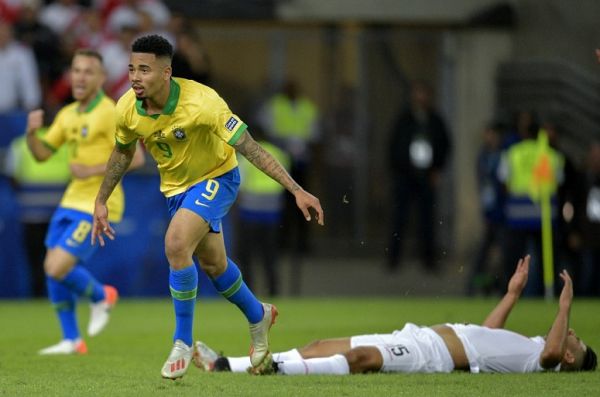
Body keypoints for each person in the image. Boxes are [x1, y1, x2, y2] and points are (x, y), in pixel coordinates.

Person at [91, 34, 324, 380]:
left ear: (166, 72)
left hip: (218, 176)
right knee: (214, 265)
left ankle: (181, 341)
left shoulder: (203, 102)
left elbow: (250, 147)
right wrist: (101, 199)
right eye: (131, 69)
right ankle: (258, 313)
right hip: (176, 190)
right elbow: (123, 152)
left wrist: (296, 189)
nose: (135, 77)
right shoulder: (126, 108)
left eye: (144, 69)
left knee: (175, 244)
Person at [193, 256, 596, 375]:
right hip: (421, 335)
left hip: (432, 356)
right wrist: (511, 295)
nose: (570, 333)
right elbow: (484, 333)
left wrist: (563, 306)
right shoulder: (529, 346)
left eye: (573, 340)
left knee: (360, 359)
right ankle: (226, 364)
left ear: (569, 356)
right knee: (319, 346)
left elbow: (548, 356)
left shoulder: (541, 360)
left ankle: (274, 371)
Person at [25, 49, 145, 355]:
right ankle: (71, 340)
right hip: (70, 201)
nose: (80, 76)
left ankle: (101, 295)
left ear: (101, 78)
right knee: (54, 268)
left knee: (55, 266)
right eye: (76, 70)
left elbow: (137, 158)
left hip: (100, 203)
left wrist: (90, 170)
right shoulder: (67, 115)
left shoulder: (111, 112)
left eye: (88, 71)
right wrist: (30, 132)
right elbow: (41, 154)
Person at [387, 80, 451, 273]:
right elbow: (393, 146)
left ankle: (429, 260)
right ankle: (393, 259)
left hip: (426, 176)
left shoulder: (435, 120)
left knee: (427, 219)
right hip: (405, 177)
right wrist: (398, 170)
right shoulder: (404, 119)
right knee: (400, 218)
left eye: (424, 93)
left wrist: (437, 169)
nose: (420, 97)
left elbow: (445, 145)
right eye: (417, 93)